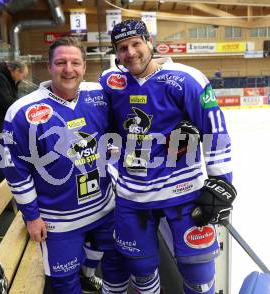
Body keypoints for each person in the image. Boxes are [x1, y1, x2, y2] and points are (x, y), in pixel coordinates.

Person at [99, 20, 236, 294]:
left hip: (184, 191)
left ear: (149, 42)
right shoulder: (110, 83)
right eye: (122, 48)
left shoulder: (187, 78)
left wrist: (222, 182)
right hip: (134, 195)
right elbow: (105, 127)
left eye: (136, 44)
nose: (131, 52)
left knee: (199, 271)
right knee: (141, 269)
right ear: (116, 53)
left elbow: (214, 129)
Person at [1, 37, 129, 294]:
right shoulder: (22, 111)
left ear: (84, 66)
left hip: (104, 208)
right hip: (58, 221)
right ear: (49, 67)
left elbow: (136, 94)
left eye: (75, 63)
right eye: (61, 62)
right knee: (64, 282)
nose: (68, 69)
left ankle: (94, 277)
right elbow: (16, 172)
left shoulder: (99, 94)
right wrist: (32, 216)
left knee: (119, 260)